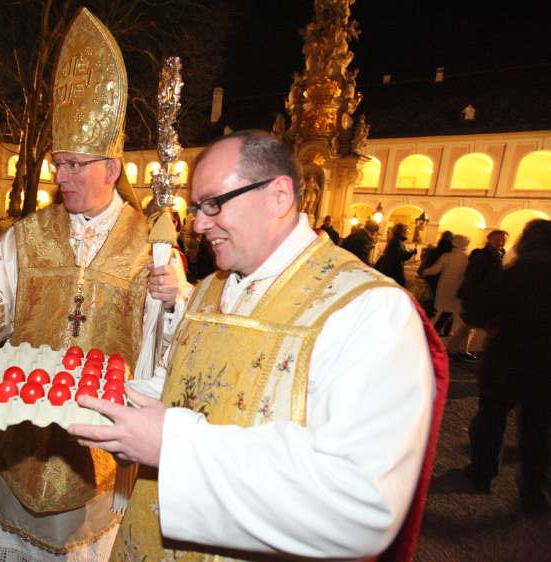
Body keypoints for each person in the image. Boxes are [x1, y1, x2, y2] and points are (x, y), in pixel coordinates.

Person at [69, 130, 448, 562]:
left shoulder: (368, 309)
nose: (196, 223)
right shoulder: (211, 288)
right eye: (196, 207)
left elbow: (362, 504)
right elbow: (182, 389)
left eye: (213, 203)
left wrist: (175, 445)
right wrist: (102, 400)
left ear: (279, 195)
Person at [0, 9, 188, 561]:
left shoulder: (149, 243)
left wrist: (174, 299)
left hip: (97, 438)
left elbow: (169, 349)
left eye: (74, 165)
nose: (60, 177)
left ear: (112, 167)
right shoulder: (30, 234)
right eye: (58, 164)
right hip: (21, 431)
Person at [465, 220, 551, 516]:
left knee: (491, 419)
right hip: (545, 366)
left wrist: (493, 323)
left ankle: (482, 474)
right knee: (538, 428)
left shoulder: (514, 274)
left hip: (507, 360)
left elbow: (475, 311)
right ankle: (532, 491)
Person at [456, 230, 508, 354]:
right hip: (478, 294)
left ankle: (461, 350)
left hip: (489, 295)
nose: (500, 242)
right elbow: (472, 276)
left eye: (503, 240)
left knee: (471, 324)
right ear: (489, 240)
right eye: (497, 240)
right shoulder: (482, 255)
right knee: (474, 324)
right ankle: (457, 351)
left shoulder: (499, 254)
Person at [422, 235, 472, 360]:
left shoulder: (447, 256)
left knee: (446, 311)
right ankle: (436, 336)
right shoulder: (467, 258)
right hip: (457, 290)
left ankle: (436, 334)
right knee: (451, 312)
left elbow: (435, 269)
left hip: (444, 287)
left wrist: (424, 272)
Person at [417, 231, 453, 321]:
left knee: (429, 295)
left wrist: (424, 271)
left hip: (431, 276)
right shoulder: (448, 252)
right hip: (440, 277)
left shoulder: (436, 250)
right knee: (433, 296)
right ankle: (427, 314)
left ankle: (425, 313)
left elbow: (429, 262)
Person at [376, 223, 417, 287]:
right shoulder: (396, 242)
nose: (406, 233)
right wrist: (411, 252)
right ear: (401, 232)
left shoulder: (396, 241)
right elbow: (402, 255)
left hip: (391, 269)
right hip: (392, 271)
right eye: (405, 231)